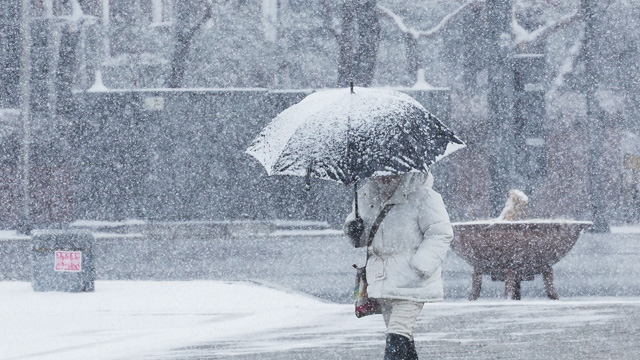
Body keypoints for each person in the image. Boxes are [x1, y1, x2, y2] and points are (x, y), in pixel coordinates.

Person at [343, 172, 454, 360]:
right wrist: (354, 231)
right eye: (379, 174)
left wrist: (421, 265)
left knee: (396, 336)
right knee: (403, 339)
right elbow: (363, 239)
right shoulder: (366, 197)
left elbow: (440, 233)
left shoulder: (424, 196)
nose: (385, 178)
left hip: (413, 280)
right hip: (381, 278)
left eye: (391, 174)